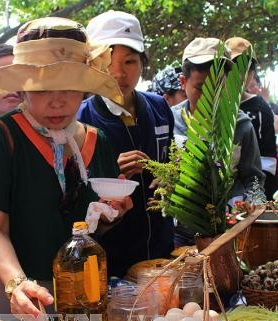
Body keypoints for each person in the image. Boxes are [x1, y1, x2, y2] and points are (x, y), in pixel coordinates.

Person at [0, 17, 132, 317]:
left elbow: (93, 226)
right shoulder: (0, 137)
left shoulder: (96, 139)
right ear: (22, 89)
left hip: (82, 294)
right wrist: (17, 284)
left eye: (70, 87)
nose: (58, 102)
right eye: (42, 88)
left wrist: (111, 214)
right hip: (13, 295)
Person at [77, 10, 174, 278]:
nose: (119, 73)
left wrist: (170, 179)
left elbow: (173, 159)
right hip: (111, 257)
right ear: (93, 66)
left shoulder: (159, 107)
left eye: (130, 61)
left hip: (161, 248)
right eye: (107, 63)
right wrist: (109, 172)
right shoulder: (80, 119)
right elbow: (72, 192)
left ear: (143, 62)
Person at [172, 37, 265, 209]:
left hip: (229, 224)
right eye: (201, 88)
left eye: (218, 87)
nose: (211, 97)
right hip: (179, 228)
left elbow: (254, 180)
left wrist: (252, 205)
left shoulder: (241, 125)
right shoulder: (169, 121)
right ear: (183, 82)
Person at [225, 37, 277, 200]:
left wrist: (256, 199)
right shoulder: (209, 104)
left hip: (248, 197)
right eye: (234, 67)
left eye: (246, 68)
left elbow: (267, 161)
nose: (240, 74)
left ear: (253, 73)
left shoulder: (260, 109)